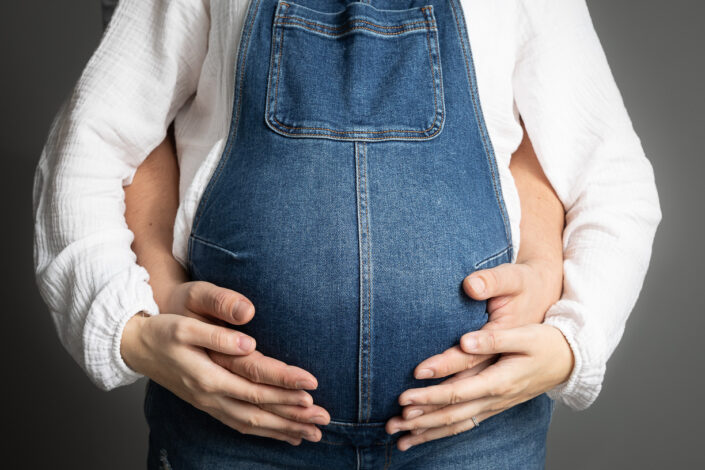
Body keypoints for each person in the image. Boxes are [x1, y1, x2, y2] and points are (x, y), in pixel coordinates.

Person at [33, 0, 661, 468]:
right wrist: (130, 331)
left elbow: (612, 177)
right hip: (231, 440)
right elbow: (86, 150)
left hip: (473, 441)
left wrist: (570, 346)